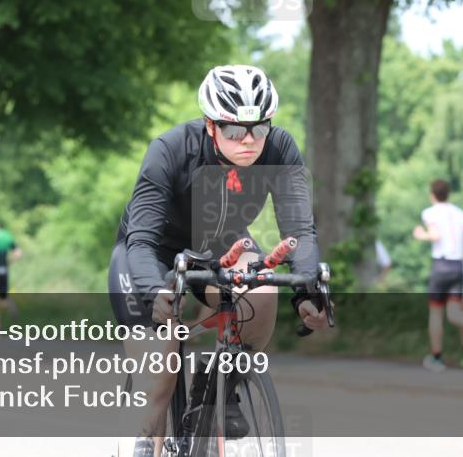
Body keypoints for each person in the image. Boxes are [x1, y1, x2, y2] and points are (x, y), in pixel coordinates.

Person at [106, 65, 330, 457]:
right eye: (233, 130)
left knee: (261, 291)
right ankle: (144, 441)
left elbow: (299, 229)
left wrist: (307, 289)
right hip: (153, 253)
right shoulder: (171, 150)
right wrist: (153, 289)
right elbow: (141, 240)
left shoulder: (280, 149)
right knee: (158, 374)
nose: (249, 140)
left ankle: (220, 384)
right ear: (210, 126)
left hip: (219, 245)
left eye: (259, 128)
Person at [412, 179, 463, 372]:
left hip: (441, 265)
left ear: (432, 194)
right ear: (449, 194)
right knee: (454, 311)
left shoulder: (430, 212)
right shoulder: (460, 213)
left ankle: (436, 356)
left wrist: (421, 234)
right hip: (457, 266)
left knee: (436, 312)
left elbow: (435, 235)